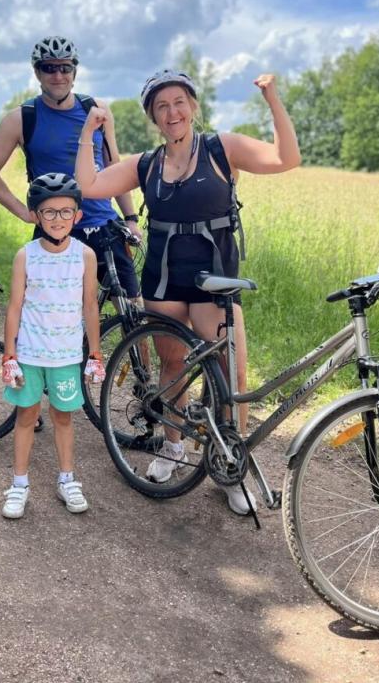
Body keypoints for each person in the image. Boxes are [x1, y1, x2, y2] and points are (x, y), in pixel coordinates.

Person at [75, 70, 301, 515]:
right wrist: (88, 133)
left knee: (232, 374)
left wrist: (272, 98)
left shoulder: (221, 148)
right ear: (153, 118)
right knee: (172, 365)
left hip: (215, 277)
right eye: (161, 106)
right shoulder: (146, 164)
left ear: (193, 106)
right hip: (164, 278)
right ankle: (173, 446)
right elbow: (90, 185)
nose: (172, 112)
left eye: (179, 102)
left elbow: (285, 158)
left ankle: (229, 465)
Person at [0, 36, 141, 300]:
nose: (58, 75)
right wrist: (24, 212)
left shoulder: (97, 110)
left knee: (132, 308)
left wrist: (130, 218)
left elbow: (114, 167)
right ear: (37, 72)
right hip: (54, 230)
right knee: (54, 313)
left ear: (74, 71)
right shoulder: (21, 118)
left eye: (65, 67)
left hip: (104, 226)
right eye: (49, 68)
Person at [0, 173, 105, 520]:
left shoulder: (85, 255)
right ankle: (19, 483)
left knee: (63, 417)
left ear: (77, 215)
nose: (57, 219)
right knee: (26, 416)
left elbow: (90, 305)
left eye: (65, 211)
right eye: (49, 212)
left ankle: (67, 479)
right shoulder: (25, 256)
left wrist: (95, 352)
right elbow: (14, 307)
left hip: (66, 355)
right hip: (30, 354)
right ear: (35, 215)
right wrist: (9, 354)